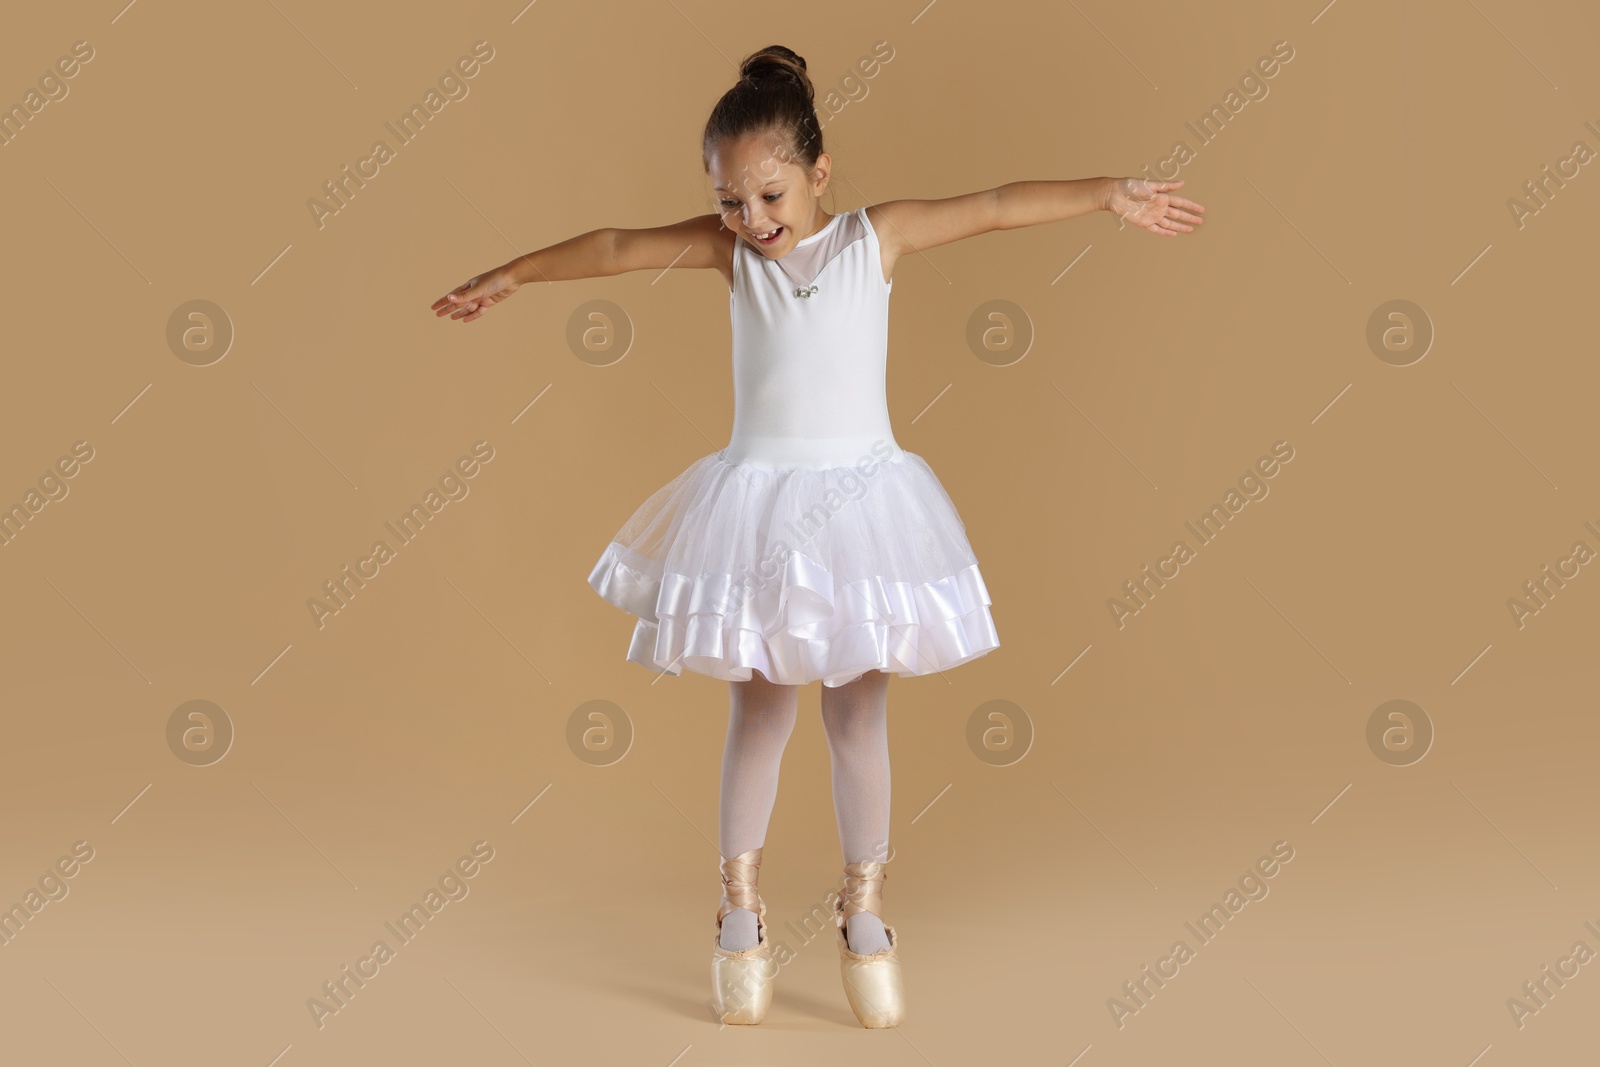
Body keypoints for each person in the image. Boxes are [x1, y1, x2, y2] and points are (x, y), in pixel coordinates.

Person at [431, 44, 1204, 1029]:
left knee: (856, 716)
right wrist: (512, 274)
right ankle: (739, 910)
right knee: (758, 712)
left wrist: (1108, 192)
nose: (750, 220)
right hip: (756, 508)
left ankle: (865, 910)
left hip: (861, 512)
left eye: (768, 194)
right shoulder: (728, 257)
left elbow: (999, 202)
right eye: (728, 202)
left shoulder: (874, 240)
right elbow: (619, 246)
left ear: (817, 172)